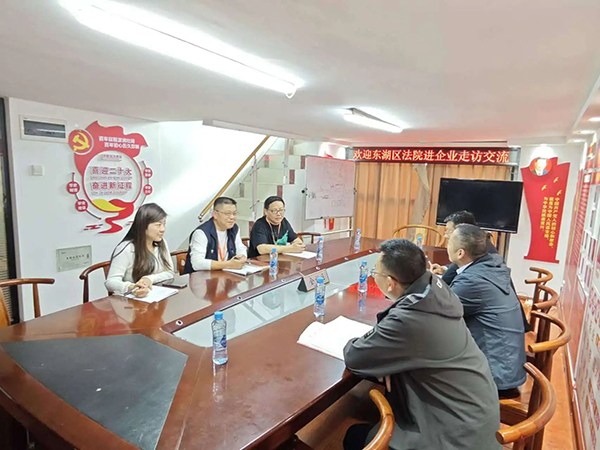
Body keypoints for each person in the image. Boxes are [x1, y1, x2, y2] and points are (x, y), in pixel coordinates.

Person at [343, 239, 500, 450]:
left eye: (376, 272)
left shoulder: (409, 317)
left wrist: (381, 354)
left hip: (456, 439)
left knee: (353, 436)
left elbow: (354, 357)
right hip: (477, 423)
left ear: (390, 283)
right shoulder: (435, 290)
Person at [447, 224, 527, 396]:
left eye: (449, 241)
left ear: (460, 253)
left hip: (495, 377)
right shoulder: (492, 267)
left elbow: (438, 312)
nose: (446, 243)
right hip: (506, 366)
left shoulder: (473, 281)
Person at [105, 203, 175, 297]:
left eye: (164, 224)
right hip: (130, 301)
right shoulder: (127, 248)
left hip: (155, 297)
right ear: (143, 226)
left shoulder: (161, 243)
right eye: (158, 225)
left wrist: (149, 279)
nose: (163, 229)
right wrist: (131, 287)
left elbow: (170, 273)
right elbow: (110, 282)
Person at [430, 210, 497, 285]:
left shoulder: (477, 248)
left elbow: (446, 280)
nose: (445, 236)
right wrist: (445, 268)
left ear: (462, 230)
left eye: (449, 231)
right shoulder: (481, 242)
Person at [183, 197, 247, 272]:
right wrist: (228, 264)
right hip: (202, 276)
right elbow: (197, 263)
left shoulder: (234, 228)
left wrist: (242, 256)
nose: (232, 217)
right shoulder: (201, 233)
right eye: (227, 213)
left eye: (234, 213)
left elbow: (240, 247)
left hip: (224, 274)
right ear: (215, 214)